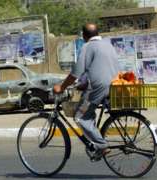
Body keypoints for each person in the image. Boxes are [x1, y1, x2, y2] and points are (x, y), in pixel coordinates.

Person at [54, 23, 119, 160]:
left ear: (84, 36)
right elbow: (96, 69)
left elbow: (76, 72)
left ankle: (102, 145)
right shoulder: (108, 44)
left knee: (80, 116)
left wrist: (62, 87)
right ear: (98, 33)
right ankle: (95, 144)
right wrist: (82, 84)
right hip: (114, 85)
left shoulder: (87, 46)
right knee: (89, 112)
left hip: (97, 88)